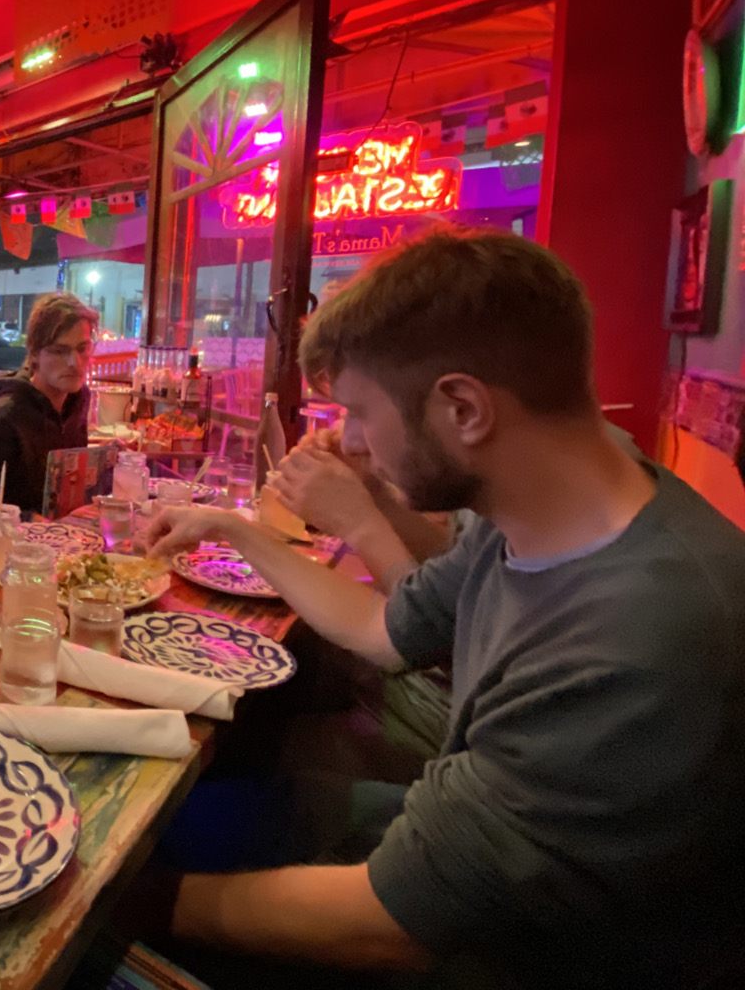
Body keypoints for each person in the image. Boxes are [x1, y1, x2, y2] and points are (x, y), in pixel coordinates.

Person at [143, 228, 745, 988]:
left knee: (122, 879)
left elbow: (392, 926)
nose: (352, 442)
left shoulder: (638, 639)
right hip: (456, 867)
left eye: (359, 412)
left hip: (521, 960)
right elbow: (385, 630)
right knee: (192, 812)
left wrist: (119, 902)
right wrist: (231, 529)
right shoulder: (533, 511)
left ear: (463, 407)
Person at [0, 293, 96, 515]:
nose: (74, 363)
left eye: (82, 348)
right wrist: (29, 520)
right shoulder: (0, 422)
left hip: (69, 533)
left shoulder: (77, 401)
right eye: (59, 351)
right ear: (34, 353)